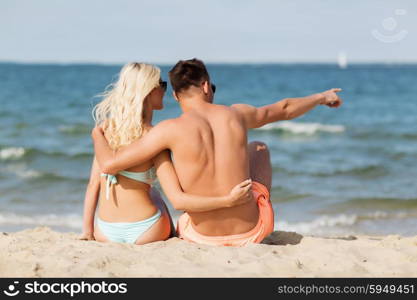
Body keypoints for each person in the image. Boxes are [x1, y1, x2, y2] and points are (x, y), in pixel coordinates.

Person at [92, 58, 343, 247]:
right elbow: (285, 108)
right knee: (259, 148)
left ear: (177, 96)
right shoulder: (237, 114)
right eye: (211, 86)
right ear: (204, 86)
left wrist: (97, 135)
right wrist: (322, 96)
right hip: (253, 232)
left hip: (198, 236)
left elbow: (110, 164)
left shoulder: (167, 131)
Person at [80, 62, 253, 245]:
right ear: (149, 91)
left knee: (153, 192)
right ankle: (175, 234)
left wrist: (88, 231)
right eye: (162, 85)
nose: (165, 90)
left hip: (105, 232)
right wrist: (228, 200)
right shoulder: (155, 137)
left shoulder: (105, 132)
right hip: (146, 231)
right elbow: (177, 199)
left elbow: (93, 184)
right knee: (155, 194)